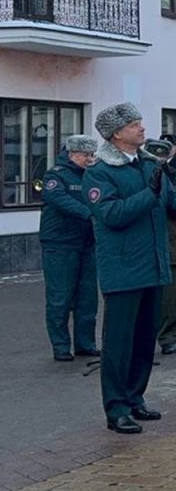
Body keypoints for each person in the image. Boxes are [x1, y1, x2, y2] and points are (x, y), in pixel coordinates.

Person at [85, 102, 176, 434]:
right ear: (117, 134)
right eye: (135, 124)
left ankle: (135, 398)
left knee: (145, 339)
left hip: (155, 265)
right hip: (123, 270)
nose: (142, 128)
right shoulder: (100, 171)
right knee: (119, 343)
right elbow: (111, 215)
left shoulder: (147, 163)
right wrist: (150, 194)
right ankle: (115, 408)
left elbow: (169, 197)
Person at [39, 134, 99, 362]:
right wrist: (89, 214)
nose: (90, 159)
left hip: (86, 243)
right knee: (60, 298)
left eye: (92, 155)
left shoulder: (92, 175)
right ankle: (61, 346)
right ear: (72, 154)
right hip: (60, 244)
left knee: (87, 298)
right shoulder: (56, 174)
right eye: (86, 155)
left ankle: (86, 344)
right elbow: (59, 200)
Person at [155, 134, 176, 356]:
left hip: (170, 242)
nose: (159, 159)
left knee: (168, 298)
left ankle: (168, 338)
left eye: (163, 154)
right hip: (144, 244)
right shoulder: (139, 174)